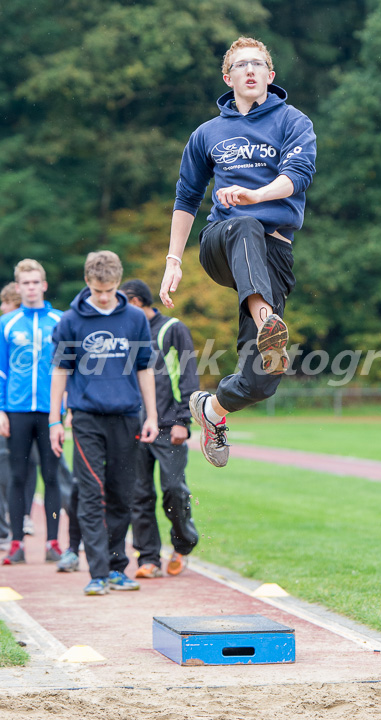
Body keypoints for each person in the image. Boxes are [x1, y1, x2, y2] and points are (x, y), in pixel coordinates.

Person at [159, 37, 316, 468]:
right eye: (241, 65)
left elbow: (297, 177)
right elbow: (187, 198)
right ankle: (267, 318)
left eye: (259, 64)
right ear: (228, 78)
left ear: (270, 75)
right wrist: (173, 261)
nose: (251, 70)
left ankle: (212, 411)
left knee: (263, 378)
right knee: (245, 226)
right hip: (222, 243)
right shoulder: (207, 134)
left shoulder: (293, 121)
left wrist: (256, 194)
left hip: (273, 254)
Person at [50, 251, 159, 596]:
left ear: (117, 282)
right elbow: (60, 371)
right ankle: (97, 573)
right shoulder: (70, 320)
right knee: (92, 493)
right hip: (86, 418)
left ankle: (116, 568)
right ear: (87, 283)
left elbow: (144, 368)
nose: (103, 296)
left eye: (110, 290)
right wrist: (56, 420)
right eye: (98, 290)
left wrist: (152, 415)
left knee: (121, 494)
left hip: (127, 416)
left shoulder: (134, 318)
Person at [121, 279, 199, 579]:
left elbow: (188, 376)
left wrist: (183, 421)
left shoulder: (173, 328)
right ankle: (148, 558)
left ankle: (182, 546)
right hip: (134, 427)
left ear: (137, 302)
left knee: (174, 490)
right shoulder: (125, 332)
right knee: (139, 495)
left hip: (169, 427)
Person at [0, 261, 63, 565]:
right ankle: (15, 543)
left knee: (52, 476)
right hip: (17, 410)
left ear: (44, 285)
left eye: (35, 282)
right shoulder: (7, 323)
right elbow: (1, 371)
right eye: (25, 283)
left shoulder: (60, 321)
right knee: (17, 475)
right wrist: (1, 410)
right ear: (18, 287)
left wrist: (66, 410)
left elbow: (71, 370)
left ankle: (53, 542)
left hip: (51, 414)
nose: (31, 288)